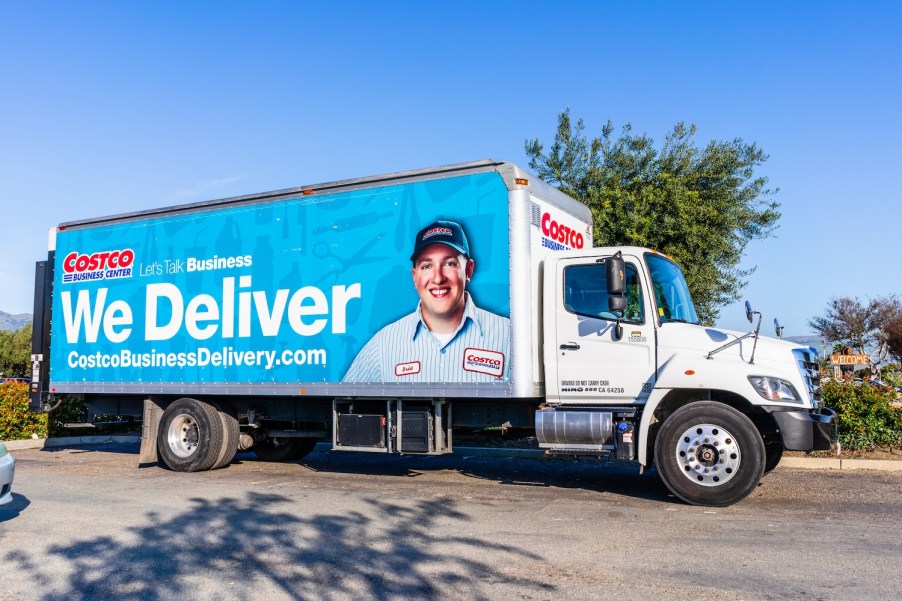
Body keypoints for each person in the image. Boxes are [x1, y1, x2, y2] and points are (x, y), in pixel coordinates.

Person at [343, 219, 510, 382]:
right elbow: (343, 402)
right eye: (427, 266)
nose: (438, 278)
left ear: (468, 270)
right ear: (415, 277)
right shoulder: (383, 344)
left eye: (449, 263)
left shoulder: (509, 337)